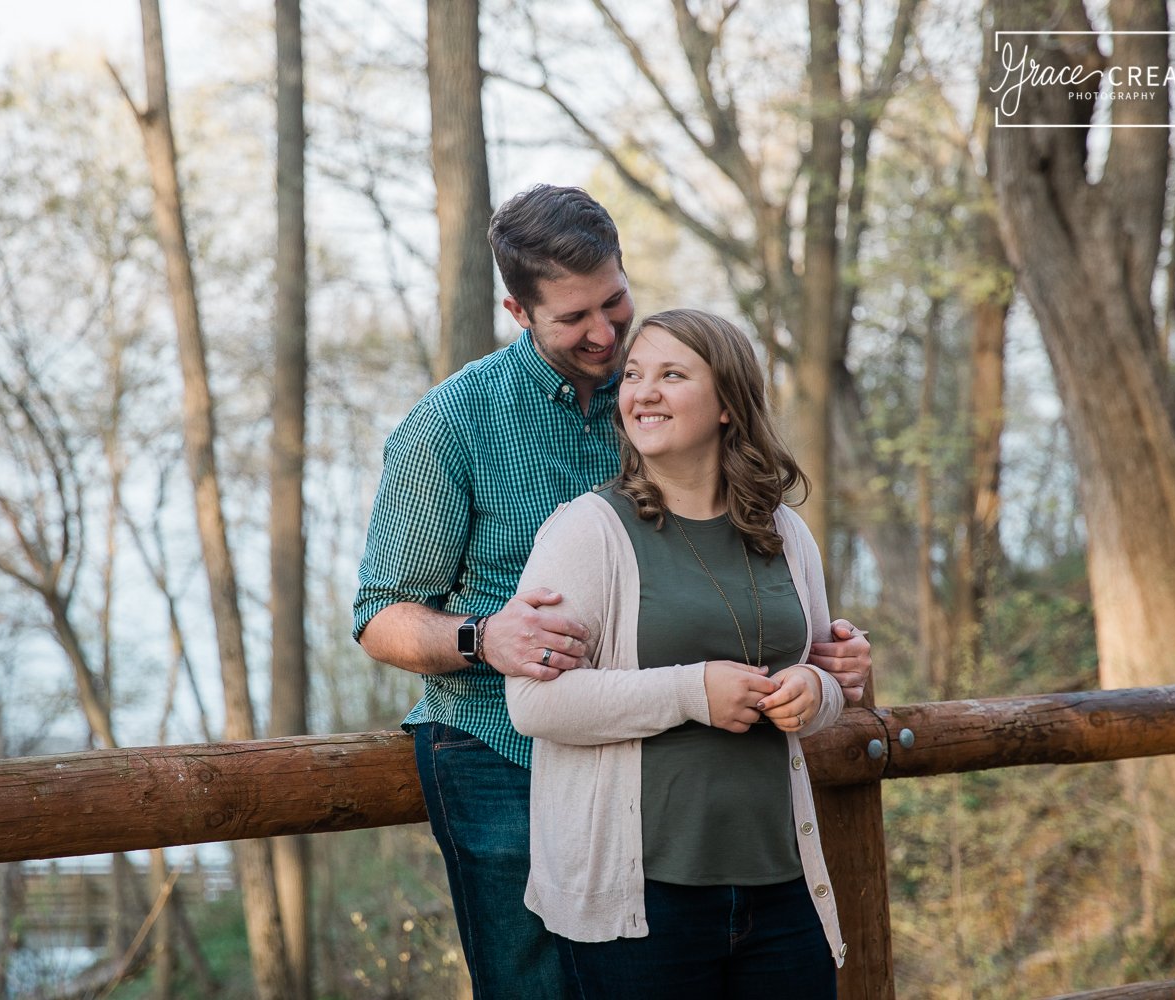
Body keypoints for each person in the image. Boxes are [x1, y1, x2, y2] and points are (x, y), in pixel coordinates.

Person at [353, 185, 869, 999]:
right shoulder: (450, 424)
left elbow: (729, 565)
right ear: (517, 311)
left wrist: (814, 650)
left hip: (669, 760)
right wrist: (480, 638)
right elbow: (380, 614)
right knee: (536, 987)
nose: (603, 334)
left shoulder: (660, 388)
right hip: (497, 745)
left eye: (614, 302)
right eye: (572, 320)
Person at [507, 308, 845, 999]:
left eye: (671, 374)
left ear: (727, 403)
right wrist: (692, 692)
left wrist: (816, 690)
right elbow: (534, 703)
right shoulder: (587, 532)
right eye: (633, 375)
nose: (642, 392)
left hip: (782, 890)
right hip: (644, 905)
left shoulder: (784, 531)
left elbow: (827, 672)